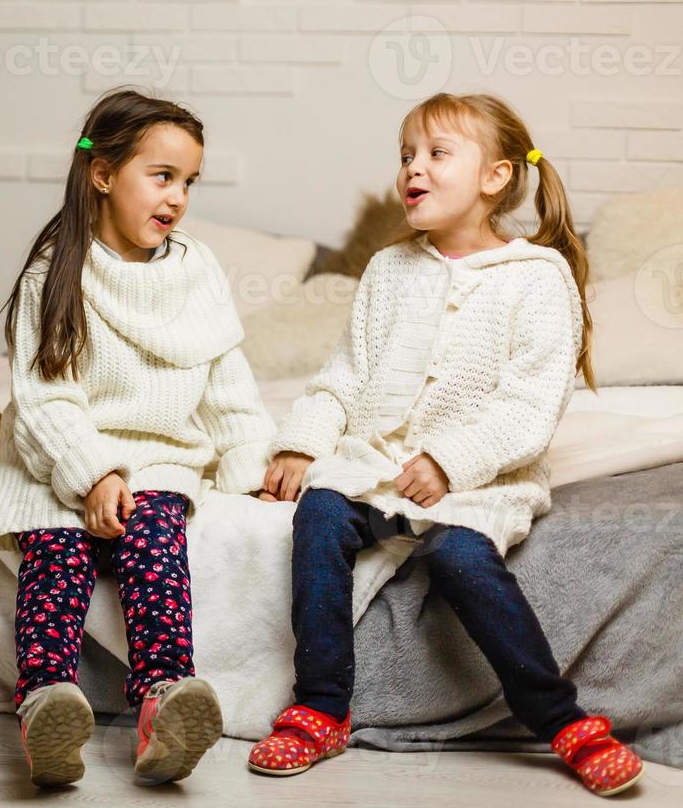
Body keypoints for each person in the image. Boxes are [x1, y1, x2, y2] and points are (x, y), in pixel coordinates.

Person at [250, 92, 644, 798]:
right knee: (318, 515)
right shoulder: (388, 268)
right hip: (377, 465)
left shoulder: (538, 279)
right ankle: (320, 708)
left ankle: (561, 720)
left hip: (480, 479)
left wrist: (449, 461)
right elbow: (346, 373)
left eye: (436, 154)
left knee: (458, 552)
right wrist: (301, 445)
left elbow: (529, 407)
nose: (413, 169)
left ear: (495, 178)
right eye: (406, 155)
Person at [0, 89, 275, 786]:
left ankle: (164, 700)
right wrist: (90, 474)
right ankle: (47, 702)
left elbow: (226, 383)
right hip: (64, 456)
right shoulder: (53, 274)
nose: (177, 197)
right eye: (162, 175)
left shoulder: (195, 270)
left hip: (157, 461)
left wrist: (251, 464)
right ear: (103, 174)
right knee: (55, 549)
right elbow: (45, 398)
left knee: (155, 546)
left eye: (188, 182)